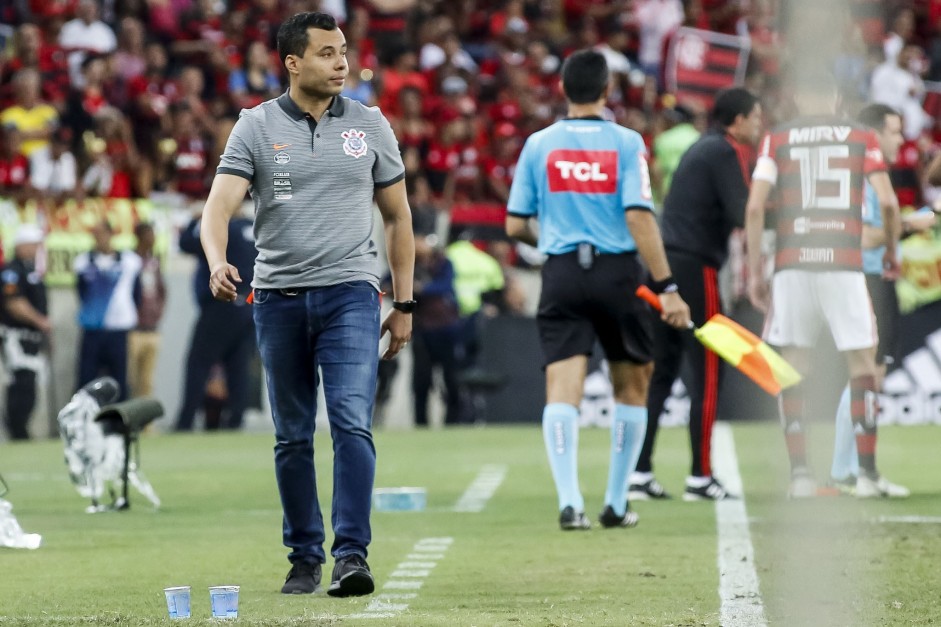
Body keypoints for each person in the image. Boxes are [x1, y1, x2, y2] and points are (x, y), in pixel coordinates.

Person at [200, 12, 414, 597]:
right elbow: (217, 209)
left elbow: (398, 218)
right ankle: (303, 556)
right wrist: (218, 260)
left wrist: (405, 302)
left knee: (350, 422)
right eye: (326, 53)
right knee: (293, 435)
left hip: (351, 293)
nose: (341, 62)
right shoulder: (255, 124)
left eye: (343, 51)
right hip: (277, 299)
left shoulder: (370, 125)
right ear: (293, 63)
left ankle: (351, 555)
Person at [505, 49, 691, 531]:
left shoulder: (539, 144)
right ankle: (615, 501)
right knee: (632, 385)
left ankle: (570, 502)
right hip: (617, 275)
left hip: (562, 273)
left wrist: (551, 241)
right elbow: (637, 215)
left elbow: (514, 224)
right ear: (608, 90)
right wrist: (667, 285)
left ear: (563, 90)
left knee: (561, 390)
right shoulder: (627, 143)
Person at [745, 76, 907, 499]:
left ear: (798, 94)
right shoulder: (860, 137)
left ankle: (800, 474)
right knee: (863, 366)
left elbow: (756, 205)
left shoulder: (776, 138)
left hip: (793, 263)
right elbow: (888, 202)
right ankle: (867, 474)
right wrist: (891, 250)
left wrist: (752, 270)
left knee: (794, 366)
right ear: (835, 95)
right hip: (844, 262)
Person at [631, 87, 763, 502]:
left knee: (663, 371)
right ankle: (700, 476)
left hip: (663, 266)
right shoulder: (724, 151)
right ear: (737, 121)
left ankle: (639, 471)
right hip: (694, 267)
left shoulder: (700, 148)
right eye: (756, 118)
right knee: (707, 368)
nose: (759, 127)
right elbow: (743, 211)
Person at [829, 103, 931, 495]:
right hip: (868, 277)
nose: (899, 139)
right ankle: (853, 471)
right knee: (867, 373)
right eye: (893, 131)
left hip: (869, 277)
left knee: (867, 373)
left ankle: (851, 469)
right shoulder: (867, 177)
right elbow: (860, 234)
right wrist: (907, 224)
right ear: (873, 133)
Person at [174, 212, 256, 431]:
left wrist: (195, 219)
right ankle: (235, 421)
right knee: (238, 365)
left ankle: (185, 422)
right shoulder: (252, 226)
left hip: (223, 302)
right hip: (249, 304)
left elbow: (186, 244)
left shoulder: (223, 226)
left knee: (198, 362)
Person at [73, 220, 141, 401]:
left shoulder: (129, 261)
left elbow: (137, 294)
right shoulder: (83, 262)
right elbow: (82, 293)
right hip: (93, 328)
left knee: (119, 377)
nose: (98, 238)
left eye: (102, 233)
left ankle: (119, 421)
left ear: (111, 234)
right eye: (95, 233)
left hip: (118, 329)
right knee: (86, 376)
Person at [0, 225, 49, 441]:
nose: (38, 249)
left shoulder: (32, 272)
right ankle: (17, 430)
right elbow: (14, 303)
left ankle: (22, 429)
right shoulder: (12, 271)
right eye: (35, 245)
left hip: (32, 339)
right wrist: (40, 321)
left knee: (29, 386)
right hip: (15, 336)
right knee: (20, 384)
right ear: (23, 245)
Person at [127, 223, 166, 400]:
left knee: (147, 381)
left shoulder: (154, 262)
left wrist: (158, 311)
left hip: (152, 328)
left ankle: (146, 424)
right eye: (149, 234)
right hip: (133, 329)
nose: (153, 239)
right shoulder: (129, 262)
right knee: (130, 379)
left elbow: (162, 290)